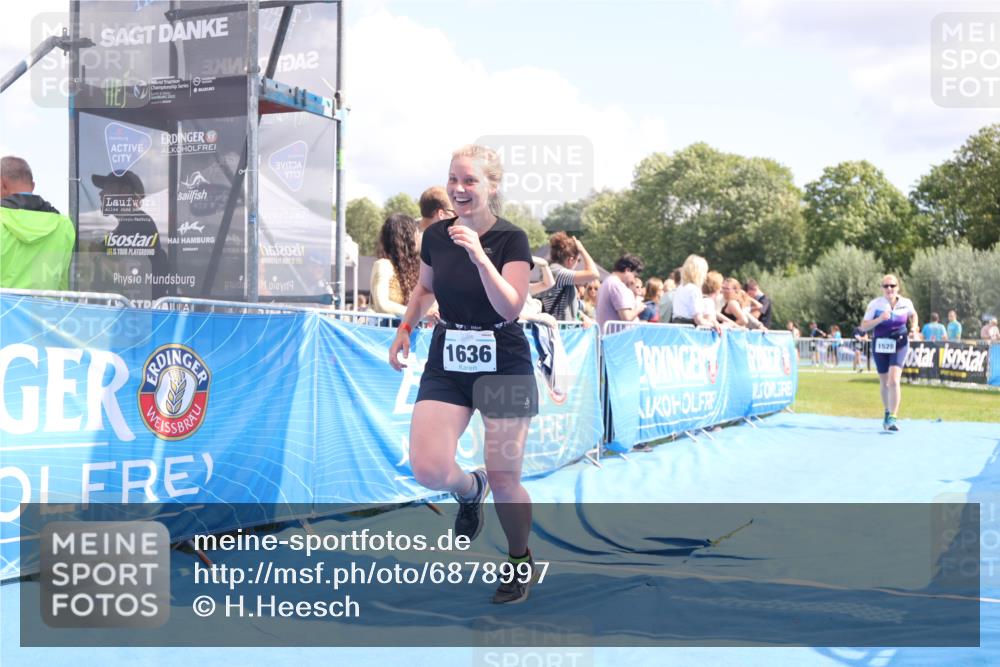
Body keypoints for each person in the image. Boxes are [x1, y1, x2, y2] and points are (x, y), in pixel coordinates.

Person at [388, 144, 538, 604]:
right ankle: (470, 489)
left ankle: (518, 559)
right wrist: (405, 329)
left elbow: (511, 307)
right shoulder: (435, 237)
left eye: (470, 180)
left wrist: (479, 255)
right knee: (428, 468)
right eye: (453, 179)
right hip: (448, 356)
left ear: (492, 186)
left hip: (505, 361)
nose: (458, 188)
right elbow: (425, 289)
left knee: (507, 476)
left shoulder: (512, 240)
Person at [0, 156, 75, 290]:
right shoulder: (64, 225)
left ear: (2, 184)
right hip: (45, 310)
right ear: (33, 185)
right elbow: (63, 283)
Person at [91, 170, 169, 298]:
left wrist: (97, 253)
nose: (101, 193)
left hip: (137, 310)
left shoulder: (136, 222)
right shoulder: (130, 222)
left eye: (108, 188)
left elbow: (125, 272)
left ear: (125, 191)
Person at [859, 274, 918, 432]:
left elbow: (913, 315)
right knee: (884, 381)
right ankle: (886, 411)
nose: (889, 289)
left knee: (894, 380)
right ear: (882, 289)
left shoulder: (906, 303)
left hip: (900, 342)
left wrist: (913, 328)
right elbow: (864, 326)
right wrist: (880, 319)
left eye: (892, 286)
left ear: (898, 287)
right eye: (886, 286)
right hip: (880, 343)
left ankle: (893, 416)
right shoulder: (875, 304)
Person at [537, 232, 600, 322]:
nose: (577, 264)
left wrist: (581, 316)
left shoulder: (553, 270)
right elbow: (594, 274)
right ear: (570, 260)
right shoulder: (558, 272)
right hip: (559, 332)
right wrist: (582, 250)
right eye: (578, 260)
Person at [371, 213, 422, 318]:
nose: (419, 238)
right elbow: (382, 305)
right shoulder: (384, 265)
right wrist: (419, 314)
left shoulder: (414, 270)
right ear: (408, 238)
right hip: (387, 331)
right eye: (417, 233)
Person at [595, 253, 645, 329]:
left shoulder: (606, 281)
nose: (633, 280)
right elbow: (626, 317)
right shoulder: (617, 285)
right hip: (617, 337)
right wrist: (639, 308)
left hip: (607, 335)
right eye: (634, 276)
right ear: (627, 270)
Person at [671, 254, 717, 330]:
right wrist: (714, 326)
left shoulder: (680, 288)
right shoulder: (694, 290)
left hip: (678, 327)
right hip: (688, 330)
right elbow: (698, 320)